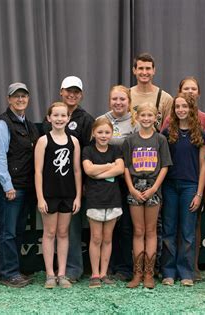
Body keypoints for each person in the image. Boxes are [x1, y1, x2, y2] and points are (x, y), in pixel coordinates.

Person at [42, 76, 94, 282]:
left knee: (71, 229)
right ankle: (53, 271)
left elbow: (89, 152)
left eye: (76, 92)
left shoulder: (86, 119)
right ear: (61, 92)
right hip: (53, 185)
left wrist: (82, 187)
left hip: (75, 184)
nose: (72, 95)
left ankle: (72, 270)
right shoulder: (53, 116)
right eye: (68, 91)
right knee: (56, 230)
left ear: (80, 95)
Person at [160, 76, 205, 281]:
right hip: (170, 186)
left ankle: (186, 272)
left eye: (184, 106)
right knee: (169, 230)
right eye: (177, 106)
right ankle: (169, 272)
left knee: (188, 232)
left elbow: (204, 164)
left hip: (191, 186)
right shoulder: (167, 131)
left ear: (191, 108)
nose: (181, 109)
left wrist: (200, 193)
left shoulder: (199, 132)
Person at [0, 82, 40, 288]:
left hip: (26, 187)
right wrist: (7, 185)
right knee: (8, 232)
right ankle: (8, 273)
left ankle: (15, 271)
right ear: (9, 99)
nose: (20, 99)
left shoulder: (28, 125)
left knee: (18, 231)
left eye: (24, 96)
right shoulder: (3, 123)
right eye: (16, 96)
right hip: (11, 188)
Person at [122, 103, 172, 289]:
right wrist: (131, 189)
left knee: (151, 231)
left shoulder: (160, 140)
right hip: (135, 188)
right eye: (142, 115)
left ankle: (149, 274)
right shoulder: (130, 140)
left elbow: (165, 166)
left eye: (149, 115)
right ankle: (137, 273)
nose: (146, 118)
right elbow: (126, 167)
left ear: (155, 117)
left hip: (153, 188)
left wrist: (154, 189)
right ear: (137, 117)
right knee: (138, 231)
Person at [35, 102, 82, 289]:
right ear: (49, 118)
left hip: (68, 194)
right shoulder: (43, 141)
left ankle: (62, 274)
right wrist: (40, 197)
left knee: (63, 233)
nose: (59, 119)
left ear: (68, 118)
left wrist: (78, 196)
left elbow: (77, 171)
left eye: (63, 116)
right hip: (49, 195)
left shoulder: (74, 142)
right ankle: (49, 274)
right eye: (56, 115)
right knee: (50, 233)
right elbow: (37, 172)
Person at [97, 85, 139, 281]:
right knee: (106, 225)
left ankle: (124, 268)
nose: (118, 102)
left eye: (122, 99)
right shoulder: (101, 121)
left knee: (125, 226)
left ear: (129, 101)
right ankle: (107, 268)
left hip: (129, 182)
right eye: (114, 99)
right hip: (104, 183)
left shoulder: (137, 122)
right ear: (109, 100)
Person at [82, 117, 125, 288]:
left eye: (107, 132)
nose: (103, 135)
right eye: (100, 132)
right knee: (96, 238)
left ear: (111, 134)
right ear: (94, 133)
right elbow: (88, 169)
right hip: (95, 200)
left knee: (108, 238)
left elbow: (120, 168)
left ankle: (104, 273)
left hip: (113, 200)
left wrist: (97, 173)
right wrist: (108, 166)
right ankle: (94, 274)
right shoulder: (88, 150)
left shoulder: (115, 150)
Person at [130, 53, 173, 131]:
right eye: (141, 68)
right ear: (134, 70)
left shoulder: (166, 99)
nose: (144, 72)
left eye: (148, 68)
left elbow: (169, 129)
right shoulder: (125, 96)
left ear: (154, 70)